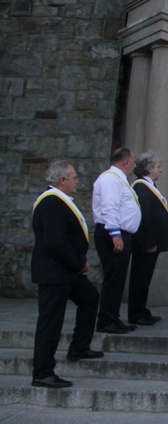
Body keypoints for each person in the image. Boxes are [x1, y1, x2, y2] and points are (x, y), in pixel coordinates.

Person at [31, 160, 103, 388]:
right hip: (55, 273)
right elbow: (56, 242)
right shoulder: (51, 203)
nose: (77, 181)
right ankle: (42, 372)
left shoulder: (59, 201)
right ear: (62, 180)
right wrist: (79, 263)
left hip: (66, 271)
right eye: (74, 177)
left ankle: (79, 347)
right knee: (50, 321)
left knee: (90, 298)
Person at [93, 148, 141, 334]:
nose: (135, 165)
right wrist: (115, 234)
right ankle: (107, 319)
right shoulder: (110, 179)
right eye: (133, 161)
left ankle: (112, 316)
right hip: (113, 234)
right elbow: (109, 207)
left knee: (118, 278)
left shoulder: (118, 179)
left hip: (120, 233)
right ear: (126, 162)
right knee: (114, 277)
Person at [128, 152, 168, 325]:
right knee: (140, 278)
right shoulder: (141, 188)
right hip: (146, 245)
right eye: (158, 167)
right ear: (149, 168)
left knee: (145, 278)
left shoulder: (148, 186)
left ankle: (141, 309)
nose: (160, 170)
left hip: (152, 243)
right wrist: (149, 243)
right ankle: (136, 313)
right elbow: (144, 218)